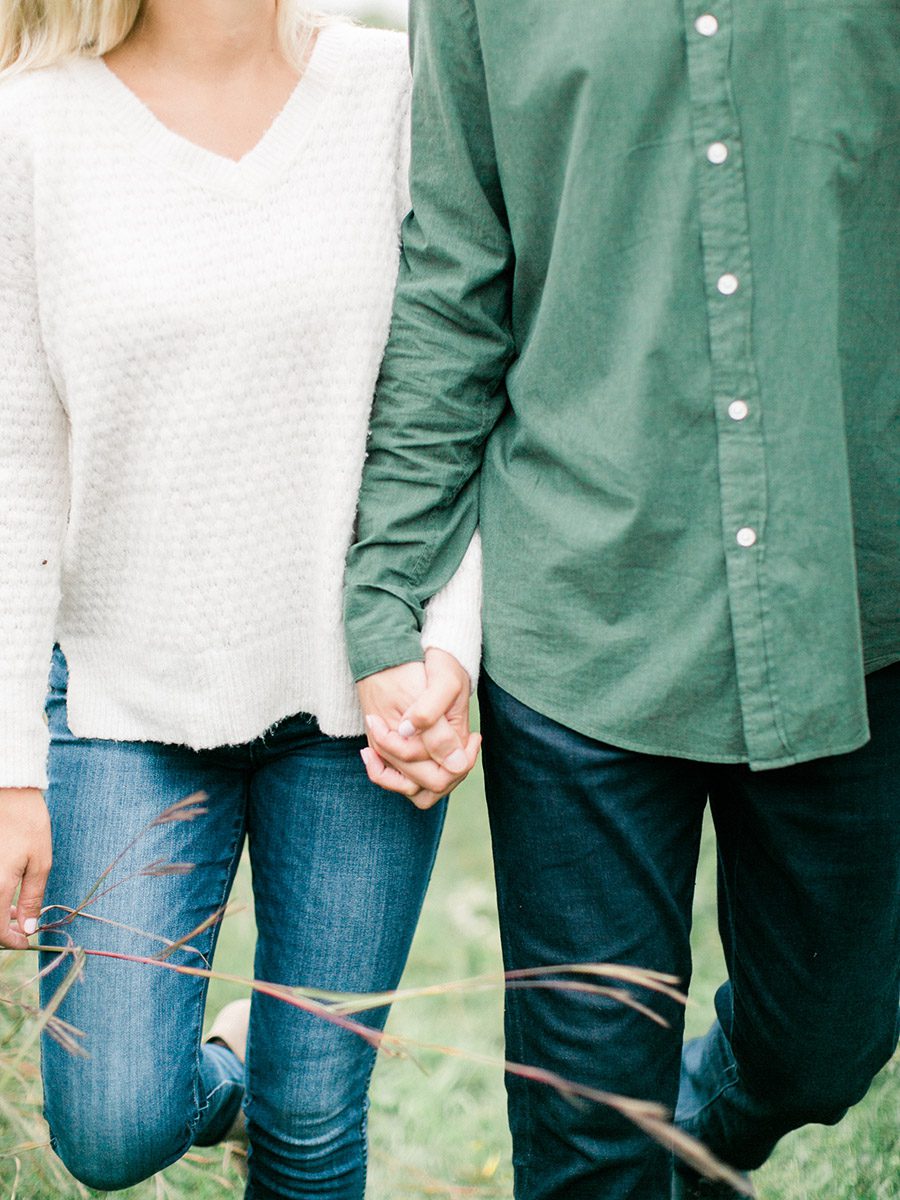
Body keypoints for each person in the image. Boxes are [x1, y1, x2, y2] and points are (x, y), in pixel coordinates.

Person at [344, 2, 900, 1197]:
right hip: (582, 609)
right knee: (588, 1133)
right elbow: (456, 270)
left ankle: (697, 1148)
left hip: (848, 588)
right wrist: (388, 592)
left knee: (825, 1050)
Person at [0, 2, 482, 1197]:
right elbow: (14, 467)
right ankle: (232, 1066)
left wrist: (446, 649)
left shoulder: (398, 93)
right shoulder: (32, 129)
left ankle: (280, 1084)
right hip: (123, 699)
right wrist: (9, 765)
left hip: (357, 695)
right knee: (112, 1125)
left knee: (315, 1118)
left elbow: (463, 389)